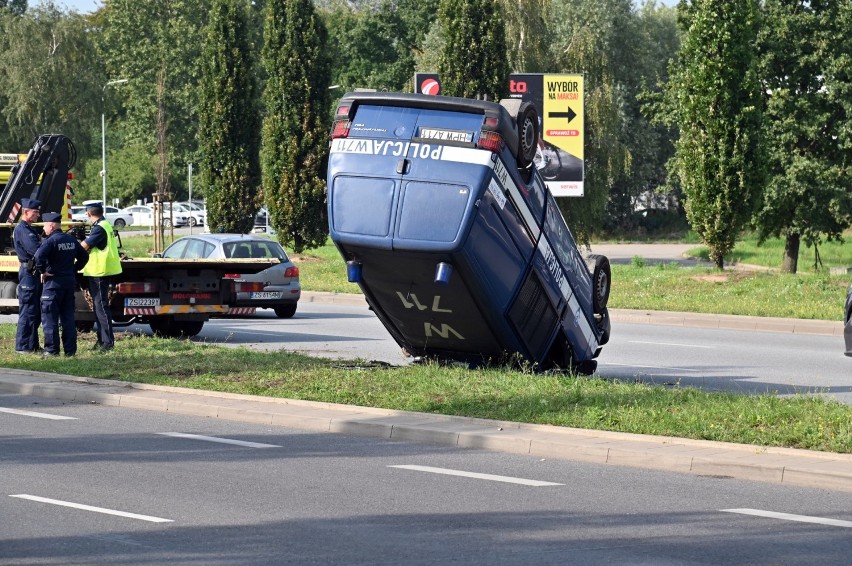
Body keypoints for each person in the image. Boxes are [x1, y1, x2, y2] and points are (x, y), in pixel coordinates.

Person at [33, 212, 89, 357]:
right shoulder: (71, 239)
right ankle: (70, 351)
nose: (44, 229)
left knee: (50, 317)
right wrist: (74, 269)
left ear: (51, 226)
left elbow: (38, 256)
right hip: (69, 283)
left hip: (53, 283)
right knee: (68, 318)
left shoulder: (50, 241)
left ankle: (52, 351)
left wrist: (42, 271)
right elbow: (84, 256)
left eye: (45, 226)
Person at [80, 201, 122, 352]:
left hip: (99, 272)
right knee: (99, 307)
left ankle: (108, 343)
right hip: (100, 271)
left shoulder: (99, 228)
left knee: (101, 307)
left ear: (89, 213)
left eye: (86, 212)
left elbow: (84, 246)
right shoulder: (105, 224)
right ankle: (101, 340)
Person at [12, 198, 43, 354]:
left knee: (35, 311)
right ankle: (23, 346)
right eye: (35, 212)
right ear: (25, 212)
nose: (38, 215)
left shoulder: (30, 229)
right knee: (28, 310)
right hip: (28, 274)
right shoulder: (22, 229)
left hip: (33, 273)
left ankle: (32, 345)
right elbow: (35, 250)